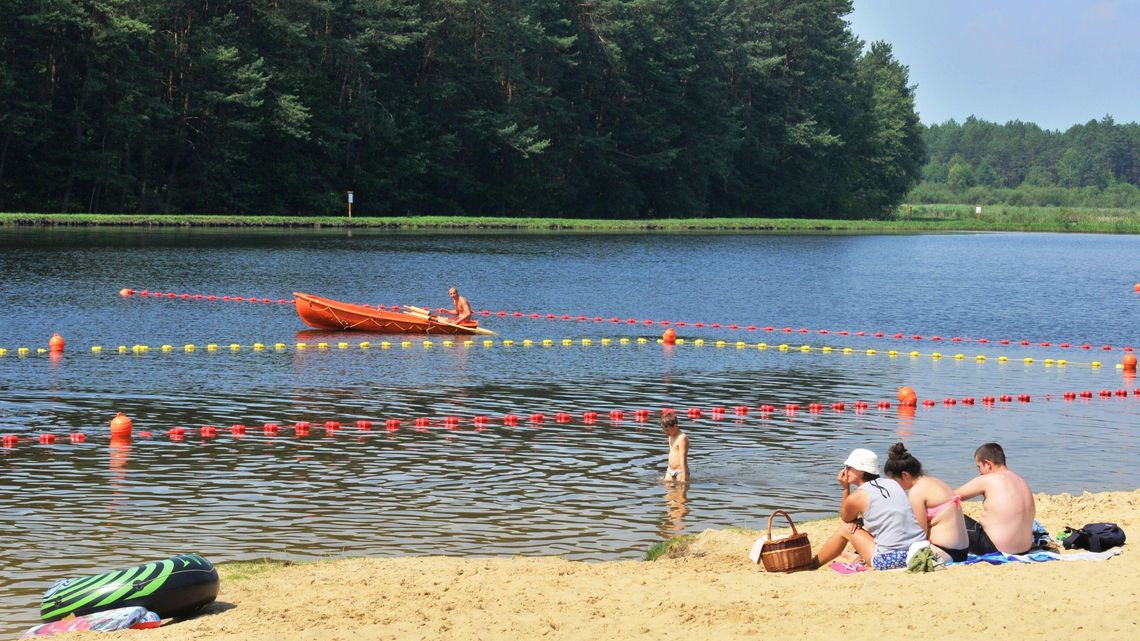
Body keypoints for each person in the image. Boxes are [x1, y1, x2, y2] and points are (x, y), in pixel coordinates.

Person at [810, 448, 927, 571]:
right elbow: (884, 514)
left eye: (849, 467)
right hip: (919, 551)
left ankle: (813, 565)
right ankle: (857, 557)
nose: (845, 471)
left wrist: (845, 489)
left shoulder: (858, 496)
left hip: (891, 559)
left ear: (860, 471)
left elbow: (846, 518)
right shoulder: (893, 484)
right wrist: (861, 521)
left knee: (845, 529)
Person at [883, 443, 969, 563]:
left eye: (894, 481)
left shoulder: (916, 491)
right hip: (962, 551)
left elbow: (919, 532)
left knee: (884, 558)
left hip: (942, 551)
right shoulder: (936, 482)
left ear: (905, 475)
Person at [953, 442, 1035, 555]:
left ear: (988, 464)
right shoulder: (1021, 480)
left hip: (994, 549)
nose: (980, 472)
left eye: (979, 467)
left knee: (951, 515)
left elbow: (949, 498)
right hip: (1025, 550)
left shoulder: (988, 479)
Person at [660, 410, 689, 483]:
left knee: (680, 492)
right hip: (670, 470)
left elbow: (683, 458)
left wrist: (683, 477)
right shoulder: (671, 436)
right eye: (665, 430)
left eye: (667, 430)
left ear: (675, 426)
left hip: (680, 471)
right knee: (668, 493)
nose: (666, 433)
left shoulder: (682, 438)